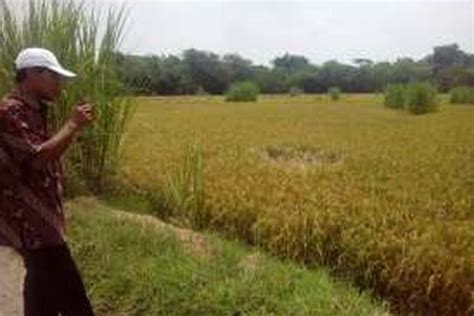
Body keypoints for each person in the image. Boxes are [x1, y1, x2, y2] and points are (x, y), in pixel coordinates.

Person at [0, 47, 95, 316]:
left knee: (42, 292)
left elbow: (46, 156)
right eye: (53, 76)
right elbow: (37, 159)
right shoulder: (10, 112)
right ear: (31, 75)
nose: (59, 83)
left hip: (41, 217)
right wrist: (72, 124)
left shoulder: (34, 110)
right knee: (72, 295)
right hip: (30, 223)